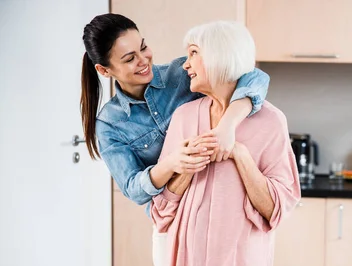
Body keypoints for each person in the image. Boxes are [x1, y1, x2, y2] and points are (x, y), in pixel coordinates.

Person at [151, 21, 300, 266]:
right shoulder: (185, 117)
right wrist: (183, 167)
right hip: (186, 261)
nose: (186, 64)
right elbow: (163, 206)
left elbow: (279, 206)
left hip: (236, 265)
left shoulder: (269, 121)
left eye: (194, 54)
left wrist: (241, 156)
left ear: (219, 56)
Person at [80, 13, 270, 208]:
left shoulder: (182, 73)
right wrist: (171, 164)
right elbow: (133, 189)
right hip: (169, 215)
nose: (143, 60)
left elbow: (254, 76)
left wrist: (227, 126)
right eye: (130, 59)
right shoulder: (109, 124)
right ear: (104, 71)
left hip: (213, 203)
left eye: (143, 47)